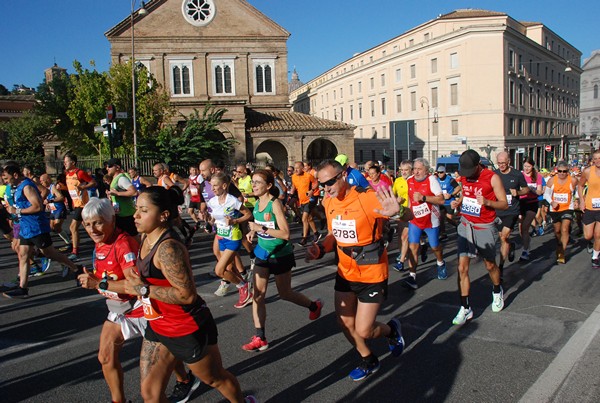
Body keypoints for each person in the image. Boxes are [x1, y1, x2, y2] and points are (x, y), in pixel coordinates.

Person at [123, 186, 256, 403]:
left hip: (185, 327)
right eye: (137, 209)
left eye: (144, 210)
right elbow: (138, 283)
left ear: (163, 215)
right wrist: (99, 283)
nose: (136, 215)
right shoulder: (144, 238)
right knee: (151, 395)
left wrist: (144, 289)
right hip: (157, 324)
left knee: (215, 379)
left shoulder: (168, 248)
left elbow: (187, 296)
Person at [306, 159, 405, 382]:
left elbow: (404, 215)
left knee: (363, 330)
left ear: (343, 176)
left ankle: (391, 330)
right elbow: (333, 234)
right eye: (322, 184)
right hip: (345, 272)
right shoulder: (329, 202)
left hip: (372, 273)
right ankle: (369, 359)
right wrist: (320, 248)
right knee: (345, 323)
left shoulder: (366, 197)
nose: (326, 188)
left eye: (330, 182)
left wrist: (398, 213)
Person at [242, 169, 323, 351]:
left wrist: (260, 228)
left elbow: (285, 234)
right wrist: (252, 231)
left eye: (257, 182)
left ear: (269, 186)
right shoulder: (256, 203)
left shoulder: (275, 204)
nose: (253, 185)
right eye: (253, 182)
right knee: (258, 295)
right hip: (263, 253)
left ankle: (313, 305)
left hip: (281, 254)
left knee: (285, 293)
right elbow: (259, 224)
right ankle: (260, 337)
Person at [2, 163, 81, 298]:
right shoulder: (17, 186)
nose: (5, 181)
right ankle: (23, 288)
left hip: (36, 227)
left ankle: (76, 269)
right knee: (23, 255)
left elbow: (38, 206)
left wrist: (18, 210)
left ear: (15, 175)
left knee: (50, 253)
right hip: (25, 227)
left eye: (6, 178)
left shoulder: (26, 187)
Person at [450, 150, 508, 325]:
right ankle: (465, 308)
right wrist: (458, 202)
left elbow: (504, 203)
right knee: (462, 268)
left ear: (478, 165)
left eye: (470, 171)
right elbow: (466, 194)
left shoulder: (492, 178)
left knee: (490, 265)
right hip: (465, 224)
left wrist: (488, 202)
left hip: (485, 226)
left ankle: (497, 291)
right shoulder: (465, 176)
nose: (467, 175)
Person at [206, 172, 253, 308]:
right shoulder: (213, 201)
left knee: (219, 271)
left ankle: (244, 286)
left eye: (215, 185)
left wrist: (235, 221)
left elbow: (248, 214)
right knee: (229, 269)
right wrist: (209, 222)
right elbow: (214, 217)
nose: (213, 188)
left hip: (233, 237)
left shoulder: (232, 200)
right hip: (221, 237)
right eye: (211, 186)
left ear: (224, 186)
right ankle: (245, 290)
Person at [403, 158, 447, 289]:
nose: (416, 172)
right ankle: (412, 276)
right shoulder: (409, 180)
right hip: (415, 220)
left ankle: (440, 263)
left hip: (431, 220)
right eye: (414, 169)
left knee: (435, 246)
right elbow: (411, 200)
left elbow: (441, 200)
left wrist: (424, 198)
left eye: (419, 169)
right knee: (413, 247)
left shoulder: (431, 180)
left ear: (426, 170)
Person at [493, 152, 529, 275]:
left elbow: (526, 189)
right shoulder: (495, 174)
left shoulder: (517, 174)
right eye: (499, 163)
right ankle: (511, 245)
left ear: (509, 162)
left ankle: (501, 267)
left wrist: (518, 193)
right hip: (498, 211)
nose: (501, 165)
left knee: (504, 236)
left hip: (512, 210)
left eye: (503, 163)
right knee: (502, 238)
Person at [64, 152, 97, 261]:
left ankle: (75, 251)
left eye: (66, 161)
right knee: (88, 227)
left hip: (83, 205)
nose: (64, 163)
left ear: (73, 162)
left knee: (73, 227)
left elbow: (93, 182)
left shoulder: (80, 173)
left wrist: (84, 187)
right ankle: (100, 245)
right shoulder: (67, 174)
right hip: (76, 204)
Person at [544, 162, 577, 264]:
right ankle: (559, 244)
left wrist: (576, 201)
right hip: (555, 209)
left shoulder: (573, 180)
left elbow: (577, 191)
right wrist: (551, 202)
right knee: (557, 230)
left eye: (564, 171)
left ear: (568, 172)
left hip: (568, 208)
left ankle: (562, 252)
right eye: (560, 171)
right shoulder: (551, 181)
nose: (562, 173)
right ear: (556, 171)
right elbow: (546, 194)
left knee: (565, 228)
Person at [290, 161, 321, 246]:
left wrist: (311, 190)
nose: (295, 170)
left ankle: (304, 239)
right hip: (301, 201)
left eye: (297, 168)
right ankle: (316, 233)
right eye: (295, 168)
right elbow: (294, 186)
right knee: (309, 218)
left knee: (304, 219)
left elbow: (316, 183)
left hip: (309, 200)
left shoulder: (308, 175)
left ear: (302, 168)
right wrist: (290, 195)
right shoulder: (293, 177)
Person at [105, 158, 138, 237]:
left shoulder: (121, 179)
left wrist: (117, 193)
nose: (107, 168)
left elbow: (134, 192)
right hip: (119, 214)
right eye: (106, 166)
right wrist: (111, 195)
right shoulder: (115, 178)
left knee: (132, 237)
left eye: (109, 166)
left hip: (127, 214)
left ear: (117, 167)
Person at [519, 157, 544, 261]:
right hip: (521, 203)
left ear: (532, 166)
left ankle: (525, 250)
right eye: (525, 166)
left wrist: (530, 190)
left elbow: (539, 192)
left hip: (532, 203)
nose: (526, 168)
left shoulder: (537, 176)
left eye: (528, 166)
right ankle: (526, 245)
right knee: (521, 228)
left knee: (525, 227)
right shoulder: (520, 175)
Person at [578, 150, 600, 269]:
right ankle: (590, 243)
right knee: (588, 235)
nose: (598, 161)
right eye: (595, 158)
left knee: (598, 235)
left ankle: (595, 257)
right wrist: (581, 200)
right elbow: (580, 185)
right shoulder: (587, 171)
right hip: (590, 207)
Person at [392, 160, 412, 272]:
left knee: (405, 236)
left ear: (411, 170)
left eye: (406, 170)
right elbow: (393, 195)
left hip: (412, 212)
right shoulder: (398, 181)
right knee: (401, 236)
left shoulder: (414, 181)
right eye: (401, 170)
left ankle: (401, 262)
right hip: (401, 212)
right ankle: (402, 254)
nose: (403, 172)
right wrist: (397, 200)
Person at [435, 165, 461, 240]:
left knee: (449, 218)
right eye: (438, 172)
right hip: (441, 202)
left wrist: (451, 194)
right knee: (441, 218)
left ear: (445, 172)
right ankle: (443, 234)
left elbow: (458, 188)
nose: (440, 174)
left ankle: (458, 226)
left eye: (441, 172)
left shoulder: (450, 179)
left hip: (449, 202)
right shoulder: (437, 180)